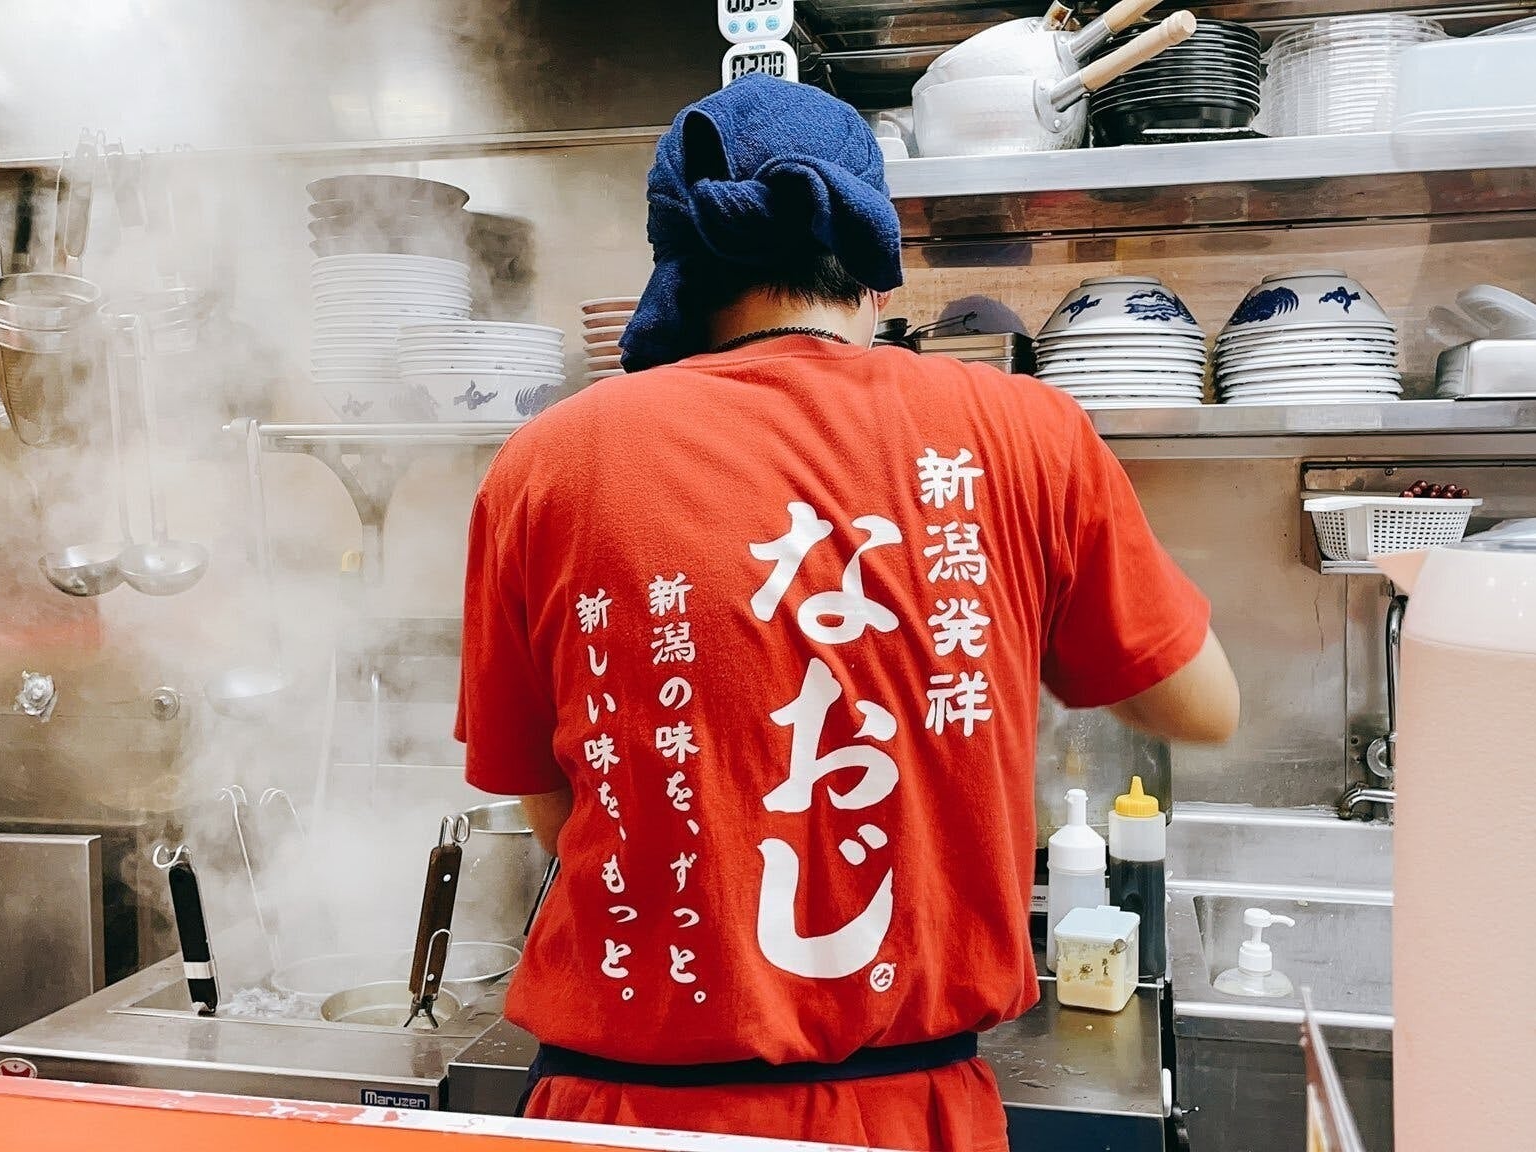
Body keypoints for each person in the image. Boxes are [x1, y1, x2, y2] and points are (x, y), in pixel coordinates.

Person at [455, 75, 1238, 1152]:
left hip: (620, 1113)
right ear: (873, 272)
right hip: (908, 1113)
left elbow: (558, 807)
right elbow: (1201, 707)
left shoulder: (545, 461)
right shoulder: (1025, 430)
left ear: (678, 265)